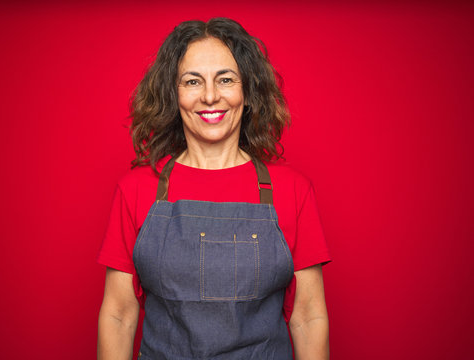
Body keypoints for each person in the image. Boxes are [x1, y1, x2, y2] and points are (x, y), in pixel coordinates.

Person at [97, 18, 331, 360]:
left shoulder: (292, 190)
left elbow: (309, 316)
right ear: (172, 94)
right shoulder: (135, 190)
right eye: (193, 81)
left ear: (247, 91)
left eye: (226, 79)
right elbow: (118, 315)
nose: (210, 96)